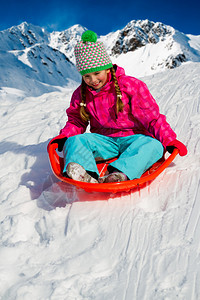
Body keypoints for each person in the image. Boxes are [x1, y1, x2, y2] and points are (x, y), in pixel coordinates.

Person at [48, 30, 187, 184]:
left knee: (154, 146)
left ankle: (119, 174)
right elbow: (77, 121)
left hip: (135, 138)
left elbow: (152, 119)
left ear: (107, 68)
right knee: (75, 141)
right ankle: (85, 174)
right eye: (87, 76)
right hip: (104, 141)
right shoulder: (81, 94)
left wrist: (169, 140)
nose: (92, 80)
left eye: (97, 73)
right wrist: (65, 137)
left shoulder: (131, 86)